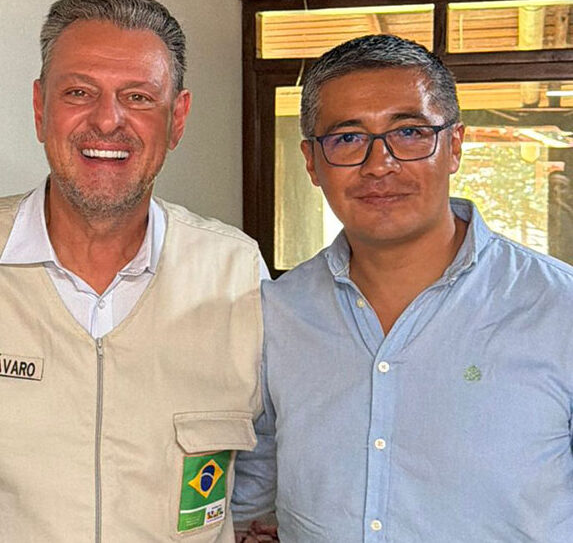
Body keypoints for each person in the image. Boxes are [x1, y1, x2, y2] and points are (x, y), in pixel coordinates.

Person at [0, 0, 266, 541]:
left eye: (138, 97)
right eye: (79, 92)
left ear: (177, 118)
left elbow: (263, 466)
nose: (107, 121)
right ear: (40, 108)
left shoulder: (237, 273)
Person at [232, 34, 573, 541]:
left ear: (454, 145)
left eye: (410, 132)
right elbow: (252, 485)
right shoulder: (277, 312)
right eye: (348, 138)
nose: (379, 164)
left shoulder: (558, 309)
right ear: (311, 162)